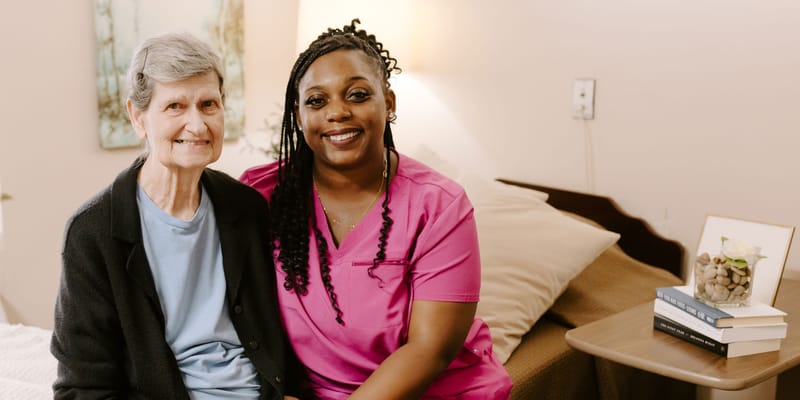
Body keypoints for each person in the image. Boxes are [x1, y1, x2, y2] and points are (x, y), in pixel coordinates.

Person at [240, 19, 513, 399]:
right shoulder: (261, 194)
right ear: (299, 116)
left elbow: (429, 350)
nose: (337, 112)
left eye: (357, 95)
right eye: (317, 101)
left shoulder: (439, 206)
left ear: (389, 103)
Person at [51, 32, 302, 399]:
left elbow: (281, 333)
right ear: (138, 117)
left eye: (208, 104)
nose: (197, 125)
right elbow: (82, 388)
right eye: (175, 107)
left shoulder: (247, 208)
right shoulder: (92, 233)